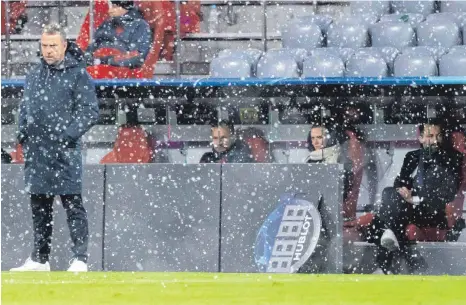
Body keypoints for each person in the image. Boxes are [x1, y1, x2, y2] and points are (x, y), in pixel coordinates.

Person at [11, 23, 99, 272]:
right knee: (39, 207)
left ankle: (80, 259)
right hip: (37, 151)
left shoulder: (78, 74)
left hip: (64, 153)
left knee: (73, 204)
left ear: (64, 46)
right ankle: (40, 259)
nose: (48, 50)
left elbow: (90, 111)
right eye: (44, 46)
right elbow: (24, 108)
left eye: (53, 46)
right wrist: (23, 134)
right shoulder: (34, 74)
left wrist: (66, 136)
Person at [358, 122, 462, 274]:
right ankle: (408, 258)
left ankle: (386, 258)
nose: (435, 141)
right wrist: (403, 190)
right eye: (430, 136)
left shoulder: (451, 159)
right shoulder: (412, 157)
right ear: (420, 138)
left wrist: (412, 199)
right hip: (408, 210)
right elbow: (401, 182)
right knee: (389, 192)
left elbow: (446, 194)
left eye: (438, 136)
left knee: (377, 222)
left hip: (432, 211)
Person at [84, 0, 151, 69]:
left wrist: (105, 60)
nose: (110, 11)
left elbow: (138, 55)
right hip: (97, 68)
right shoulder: (107, 24)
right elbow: (91, 48)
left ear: (126, 8)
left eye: (115, 7)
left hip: (123, 72)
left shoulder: (140, 25)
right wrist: (88, 58)